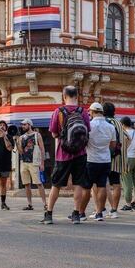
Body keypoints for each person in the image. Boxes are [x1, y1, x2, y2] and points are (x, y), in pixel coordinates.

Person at [42, 86, 90, 225]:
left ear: (64, 97)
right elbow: (88, 131)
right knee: (78, 184)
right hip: (81, 153)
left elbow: (54, 133)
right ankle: (76, 214)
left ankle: (49, 214)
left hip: (63, 154)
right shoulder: (83, 111)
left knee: (56, 185)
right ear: (77, 96)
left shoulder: (59, 112)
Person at [80, 102, 116, 221]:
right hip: (105, 160)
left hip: (91, 159)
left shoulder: (88, 125)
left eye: (89, 111)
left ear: (93, 111)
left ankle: (81, 213)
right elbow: (113, 145)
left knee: (86, 188)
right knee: (102, 186)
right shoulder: (111, 127)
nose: (88, 113)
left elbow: (84, 143)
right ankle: (99, 213)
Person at [17, 119, 46, 211]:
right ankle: (29, 204)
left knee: (39, 183)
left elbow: (42, 149)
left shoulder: (37, 135)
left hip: (34, 162)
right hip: (24, 162)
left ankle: (45, 204)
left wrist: (42, 163)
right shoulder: (21, 137)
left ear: (29, 125)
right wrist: (17, 141)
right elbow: (21, 151)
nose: (23, 126)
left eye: (24, 125)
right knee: (26, 184)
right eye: (22, 125)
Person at [102, 102, 122, 219]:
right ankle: (114, 209)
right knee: (116, 183)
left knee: (103, 184)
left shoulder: (106, 122)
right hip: (119, 158)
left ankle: (102, 208)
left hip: (107, 157)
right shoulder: (119, 123)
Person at [119, 117, 135, 211]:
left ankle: (128, 204)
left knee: (127, 181)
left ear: (123, 125)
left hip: (128, 158)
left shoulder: (124, 133)